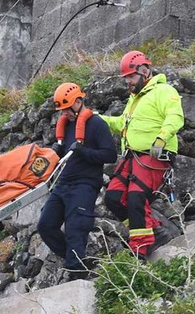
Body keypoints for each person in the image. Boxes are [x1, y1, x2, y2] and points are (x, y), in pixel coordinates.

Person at [99, 50, 184, 259]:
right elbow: (121, 124)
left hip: (153, 156)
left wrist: (161, 138)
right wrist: (99, 120)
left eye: (131, 76)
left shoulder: (164, 91)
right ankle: (153, 231)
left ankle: (140, 249)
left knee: (136, 198)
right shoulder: (134, 99)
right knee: (114, 198)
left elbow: (175, 116)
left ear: (144, 71)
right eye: (126, 78)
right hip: (132, 157)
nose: (127, 81)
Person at [37, 82, 117, 279]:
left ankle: (76, 275)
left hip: (85, 184)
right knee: (45, 225)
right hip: (63, 184)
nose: (65, 113)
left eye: (67, 108)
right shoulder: (66, 127)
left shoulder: (96, 124)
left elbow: (110, 155)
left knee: (75, 228)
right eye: (62, 110)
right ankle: (78, 261)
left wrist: (84, 152)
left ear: (79, 101)